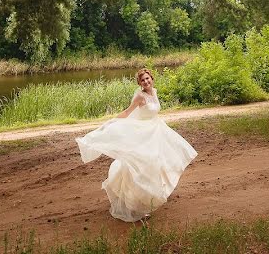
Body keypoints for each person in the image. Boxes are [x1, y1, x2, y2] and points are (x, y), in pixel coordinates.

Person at [76, 68, 197, 222]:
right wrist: (112, 122)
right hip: (143, 133)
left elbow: (153, 112)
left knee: (160, 161)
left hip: (155, 130)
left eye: (148, 79)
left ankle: (151, 195)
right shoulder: (140, 96)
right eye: (143, 80)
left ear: (152, 78)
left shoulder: (154, 92)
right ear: (139, 83)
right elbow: (128, 112)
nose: (146, 82)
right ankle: (137, 203)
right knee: (141, 165)